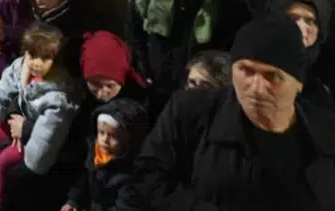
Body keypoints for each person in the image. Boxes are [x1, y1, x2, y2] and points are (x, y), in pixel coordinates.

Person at [121, 15, 335, 209]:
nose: (256, 87)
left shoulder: (324, 134)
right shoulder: (191, 111)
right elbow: (148, 177)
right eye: (247, 71)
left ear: (298, 83)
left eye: (272, 76)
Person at [0, 23, 81, 210]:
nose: (35, 63)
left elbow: (47, 134)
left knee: (4, 161)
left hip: (33, 135)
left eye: (45, 58)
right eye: (32, 55)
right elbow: (6, 83)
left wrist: (29, 144)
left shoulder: (58, 96)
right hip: (21, 119)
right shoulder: (23, 66)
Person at [128, 0, 250, 108]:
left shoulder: (225, 3)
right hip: (154, 84)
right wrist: (141, 70)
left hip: (199, 90)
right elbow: (134, 30)